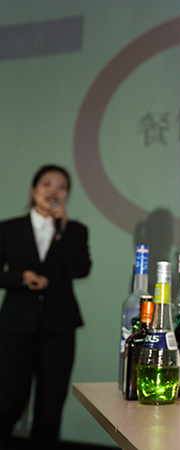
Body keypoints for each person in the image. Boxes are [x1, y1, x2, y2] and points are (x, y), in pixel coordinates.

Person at [0, 164, 92, 448]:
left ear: (67, 195)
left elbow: (81, 269)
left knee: (50, 409)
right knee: (7, 403)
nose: (53, 191)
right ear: (33, 190)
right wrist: (21, 278)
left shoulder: (74, 230)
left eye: (61, 187)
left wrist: (61, 233)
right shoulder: (9, 229)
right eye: (47, 184)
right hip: (17, 326)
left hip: (58, 328)